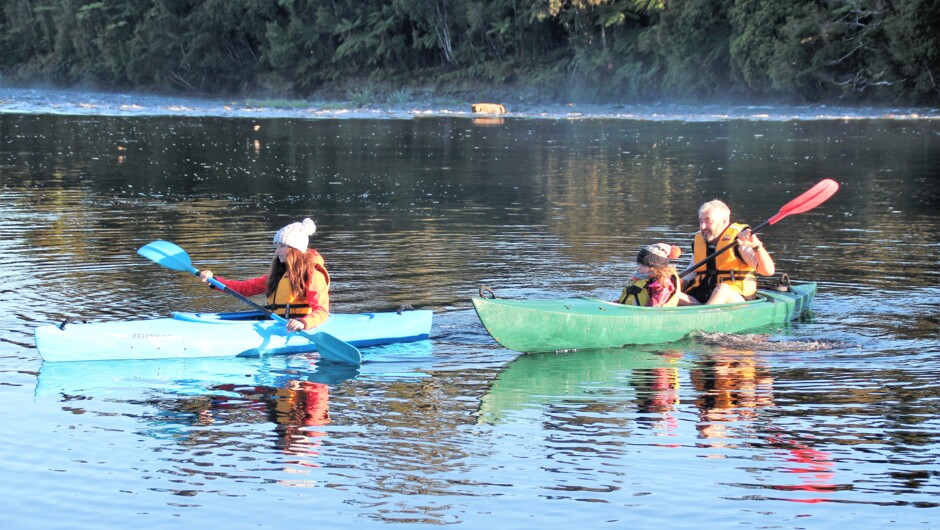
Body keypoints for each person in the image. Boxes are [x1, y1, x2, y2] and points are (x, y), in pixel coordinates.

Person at [199, 218, 329, 332]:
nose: (277, 251)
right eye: (276, 246)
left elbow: (322, 311)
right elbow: (244, 288)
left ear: (295, 249)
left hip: (295, 326)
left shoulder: (313, 275)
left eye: (282, 246)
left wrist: (303, 323)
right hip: (275, 322)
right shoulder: (278, 273)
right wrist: (213, 280)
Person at [681, 200, 775, 305]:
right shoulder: (699, 241)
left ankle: (704, 316)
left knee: (722, 289)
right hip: (702, 299)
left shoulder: (740, 241)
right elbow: (689, 276)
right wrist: (670, 287)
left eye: (708, 221)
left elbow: (768, 271)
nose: (702, 226)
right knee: (669, 289)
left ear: (724, 221)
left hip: (736, 299)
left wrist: (756, 246)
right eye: (700, 221)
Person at [617, 243, 683, 307]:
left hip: (644, 314)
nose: (638, 268)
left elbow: (655, 306)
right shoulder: (642, 278)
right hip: (630, 311)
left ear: (654, 268)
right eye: (639, 264)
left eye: (643, 265)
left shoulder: (662, 284)